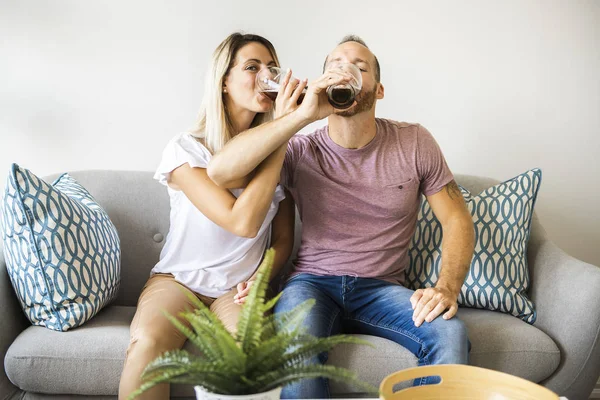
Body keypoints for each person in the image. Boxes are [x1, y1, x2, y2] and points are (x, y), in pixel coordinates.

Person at [207, 35, 476, 399]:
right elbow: (221, 172)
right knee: (299, 346)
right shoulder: (300, 148)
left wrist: (446, 288)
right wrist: (300, 116)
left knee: (450, 332)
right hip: (311, 284)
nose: (344, 73)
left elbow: (457, 220)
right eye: (334, 66)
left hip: (382, 289)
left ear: (378, 90)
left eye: (358, 67)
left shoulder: (414, 142)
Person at [118, 32, 295, 400]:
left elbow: (282, 238)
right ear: (224, 82)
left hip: (238, 289)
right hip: (179, 282)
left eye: (271, 68)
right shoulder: (185, 149)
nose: (266, 76)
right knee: (147, 345)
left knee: (249, 361)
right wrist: (286, 133)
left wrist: (263, 276)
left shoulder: (283, 159)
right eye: (252, 67)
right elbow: (239, 221)